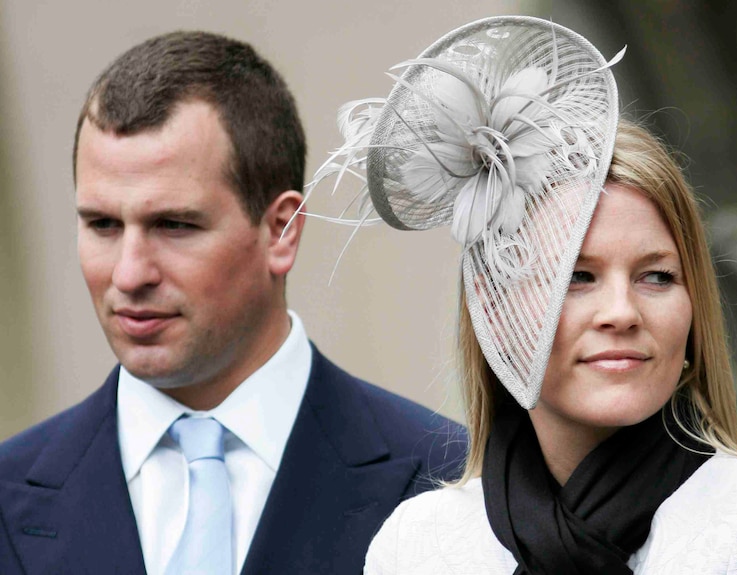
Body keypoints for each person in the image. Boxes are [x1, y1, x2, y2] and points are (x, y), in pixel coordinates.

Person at [302, 16, 737, 574]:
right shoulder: (420, 545)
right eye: (576, 277)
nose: (621, 312)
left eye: (658, 277)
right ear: (494, 310)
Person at [0, 31, 464, 575]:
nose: (128, 273)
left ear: (281, 231)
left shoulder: (453, 484)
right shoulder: (8, 493)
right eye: (102, 224)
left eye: (174, 225)